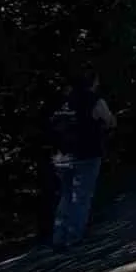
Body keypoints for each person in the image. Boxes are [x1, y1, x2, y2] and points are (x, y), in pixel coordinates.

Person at [47, 70, 115, 250]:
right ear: (92, 82)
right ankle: (74, 236)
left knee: (66, 195)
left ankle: (58, 235)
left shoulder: (60, 100)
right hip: (86, 153)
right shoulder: (94, 100)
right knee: (81, 197)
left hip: (60, 155)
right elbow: (109, 121)